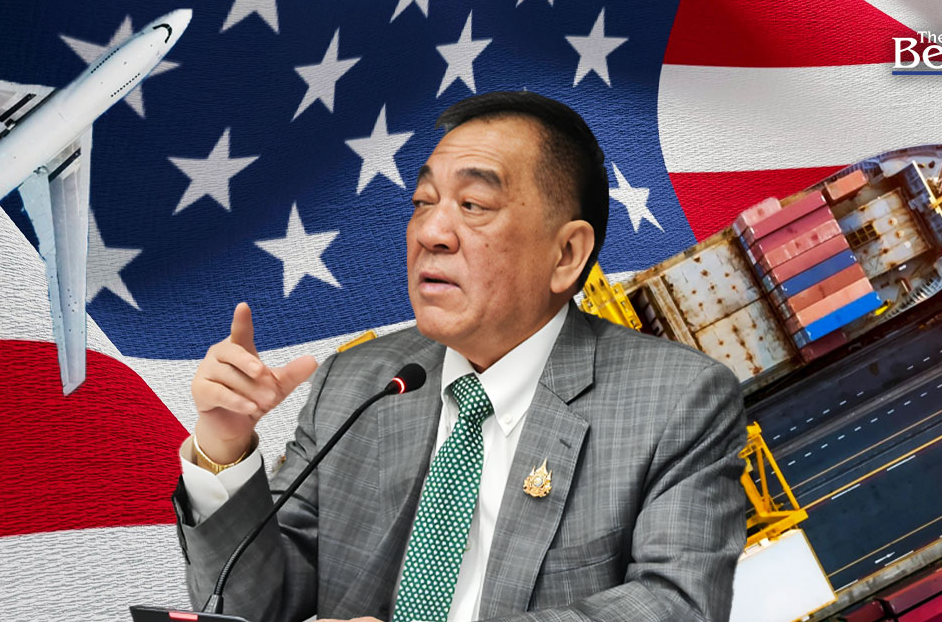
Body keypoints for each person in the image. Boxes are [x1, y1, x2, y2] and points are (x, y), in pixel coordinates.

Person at [172, 91, 747, 622]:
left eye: (473, 204)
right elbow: (253, 604)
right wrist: (225, 447)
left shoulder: (677, 401)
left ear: (567, 254)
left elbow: (677, 605)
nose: (431, 232)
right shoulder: (356, 382)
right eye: (423, 202)